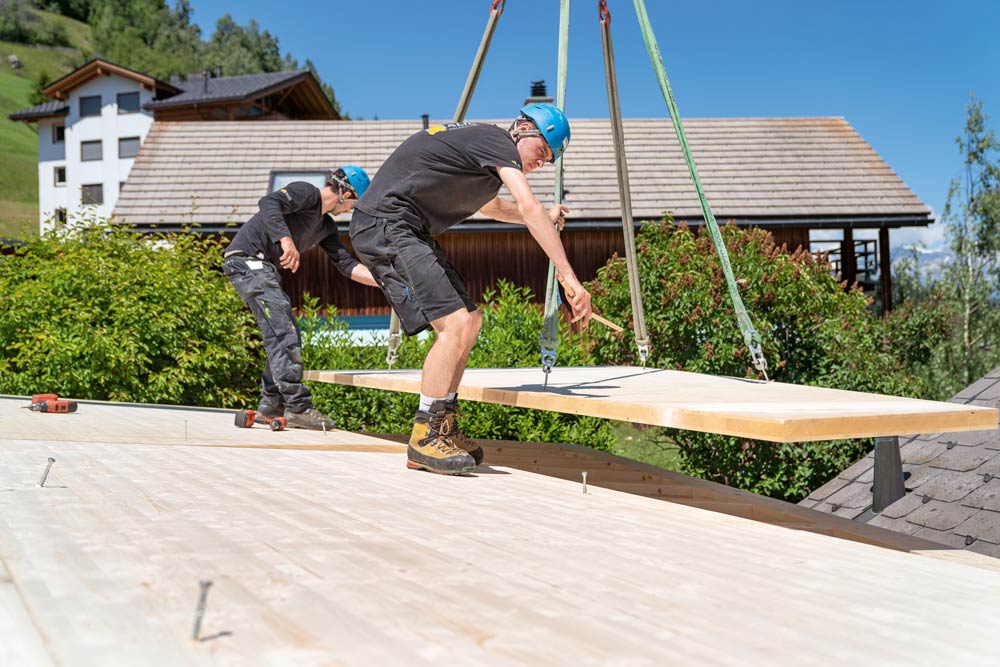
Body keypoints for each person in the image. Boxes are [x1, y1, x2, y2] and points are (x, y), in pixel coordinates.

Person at [350, 104, 592, 474]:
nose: (542, 163)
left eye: (549, 160)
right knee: (455, 326)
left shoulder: (485, 156)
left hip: (407, 228)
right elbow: (526, 207)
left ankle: (443, 423)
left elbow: (495, 208)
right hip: (386, 223)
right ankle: (424, 436)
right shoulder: (496, 141)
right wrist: (568, 277)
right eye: (542, 152)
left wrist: (546, 215)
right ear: (524, 129)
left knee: (472, 320)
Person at [223, 166, 378, 430]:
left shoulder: (326, 226)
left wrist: (386, 282)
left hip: (262, 271)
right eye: (354, 202)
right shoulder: (307, 193)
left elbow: (346, 264)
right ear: (346, 193)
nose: (352, 209)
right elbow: (269, 202)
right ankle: (298, 407)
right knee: (284, 332)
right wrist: (287, 240)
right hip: (247, 261)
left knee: (284, 330)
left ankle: (272, 405)